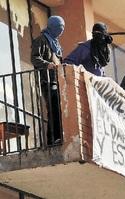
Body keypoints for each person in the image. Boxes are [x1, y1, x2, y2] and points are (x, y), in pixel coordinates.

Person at [31, 16, 65, 145]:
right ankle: (52, 140)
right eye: (58, 28)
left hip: (57, 81)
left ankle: (58, 137)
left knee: (58, 109)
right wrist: (47, 65)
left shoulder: (56, 44)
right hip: (47, 81)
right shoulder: (41, 41)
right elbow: (34, 58)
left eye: (62, 29)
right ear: (52, 27)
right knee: (53, 108)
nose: (61, 31)